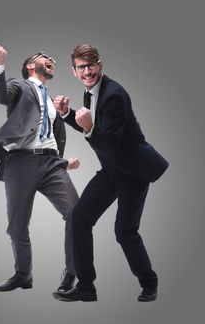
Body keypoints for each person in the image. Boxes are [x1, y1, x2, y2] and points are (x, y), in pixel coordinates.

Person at [52, 44, 169, 302]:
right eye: (81, 67)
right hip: (111, 170)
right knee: (80, 217)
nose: (87, 70)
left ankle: (149, 283)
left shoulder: (114, 94)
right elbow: (91, 125)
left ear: (100, 65)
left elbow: (109, 143)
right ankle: (86, 288)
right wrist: (65, 114)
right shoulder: (91, 91)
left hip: (132, 171)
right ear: (73, 71)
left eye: (91, 64)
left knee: (124, 232)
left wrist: (89, 127)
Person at [0, 44, 79, 293]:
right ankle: (23, 275)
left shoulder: (51, 101)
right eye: (44, 56)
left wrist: (63, 161)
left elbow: (54, 138)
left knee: (77, 214)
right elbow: (2, 96)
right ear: (29, 66)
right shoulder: (20, 86)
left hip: (51, 164)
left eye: (52, 58)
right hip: (20, 162)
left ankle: (72, 274)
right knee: (17, 226)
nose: (50, 58)